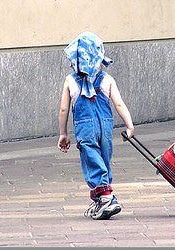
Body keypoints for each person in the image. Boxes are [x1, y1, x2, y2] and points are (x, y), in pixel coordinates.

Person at [57, 31, 135, 220]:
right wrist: (129, 125)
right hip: (106, 128)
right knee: (104, 160)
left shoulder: (70, 81)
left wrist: (63, 134)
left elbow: (63, 109)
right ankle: (105, 198)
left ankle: (107, 198)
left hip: (85, 129)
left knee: (92, 160)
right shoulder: (107, 79)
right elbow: (119, 104)